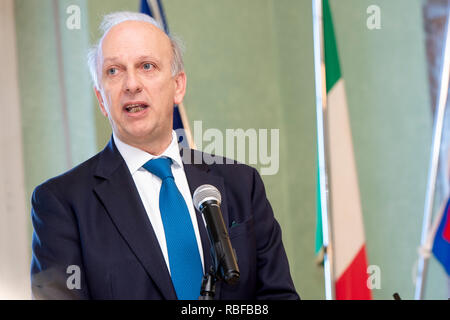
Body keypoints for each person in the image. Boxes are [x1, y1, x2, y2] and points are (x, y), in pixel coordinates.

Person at [30, 11, 299, 300]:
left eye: (147, 66)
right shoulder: (61, 203)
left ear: (178, 86)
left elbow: (278, 296)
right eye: (114, 71)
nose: (131, 84)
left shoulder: (241, 184)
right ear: (101, 99)